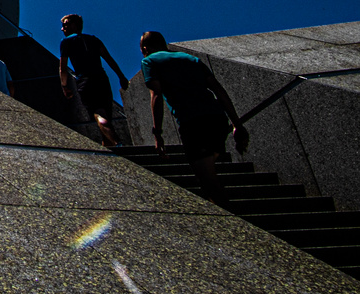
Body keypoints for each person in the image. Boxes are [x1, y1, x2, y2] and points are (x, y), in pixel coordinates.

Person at [139, 31, 249, 204]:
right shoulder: (190, 58)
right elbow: (218, 89)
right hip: (216, 119)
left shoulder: (149, 61)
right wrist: (237, 123)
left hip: (192, 122)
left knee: (207, 180)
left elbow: (156, 96)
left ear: (145, 49)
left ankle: (235, 223)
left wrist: (157, 133)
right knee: (208, 172)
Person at [57, 14, 129, 148]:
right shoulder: (94, 40)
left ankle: (118, 143)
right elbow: (109, 58)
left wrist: (64, 85)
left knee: (99, 115)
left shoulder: (66, 42)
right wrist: (121, 76)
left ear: (74, 25)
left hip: (85, 81)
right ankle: (108, 147)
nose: (62, 29)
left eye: (65, 25)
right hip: (102, 80)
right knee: (106, 117)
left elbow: (63, 68)